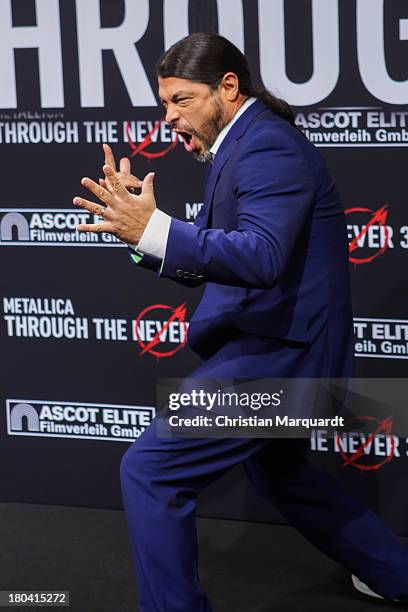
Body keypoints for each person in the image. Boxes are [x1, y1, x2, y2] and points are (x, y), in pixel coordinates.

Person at [73, 33, 408, 610]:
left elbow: (261, 256)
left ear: (227, 87)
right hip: (276, 350)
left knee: (151, 470)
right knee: (279, 472)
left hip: (282, 360)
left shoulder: (267, 147)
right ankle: (398, 573)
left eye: (181, 100)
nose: (169, 118)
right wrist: (145, 233)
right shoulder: (240, 145)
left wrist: (154, 230)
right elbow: (224, 254)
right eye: (164, 103)